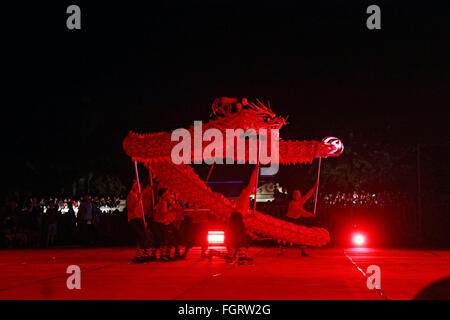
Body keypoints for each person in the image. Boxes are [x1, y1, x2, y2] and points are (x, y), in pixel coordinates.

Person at [284, 182, 319, 256]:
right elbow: (300, 211)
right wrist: (310, 215)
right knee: (286, 235)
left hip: (297, 220)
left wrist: (314, 187)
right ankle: (281, 248)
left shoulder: (300, 201)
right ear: (293, 196)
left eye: (298, 194)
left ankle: (303, 250)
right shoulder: (292, 203)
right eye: (295, 194)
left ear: (300, 196)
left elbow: (308, 196)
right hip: (289, 220)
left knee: (301, 235)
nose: (296, 196)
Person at [127, 181, 154, 263]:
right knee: (141, 236)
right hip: (134, 219)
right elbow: (132, 208)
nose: (139, 187)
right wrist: (138, 199)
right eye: (137, 185)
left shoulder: (137, 195)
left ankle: (144, 253)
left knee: (146, 236)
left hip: (139, 218)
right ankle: (139, 255)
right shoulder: (131, 196)